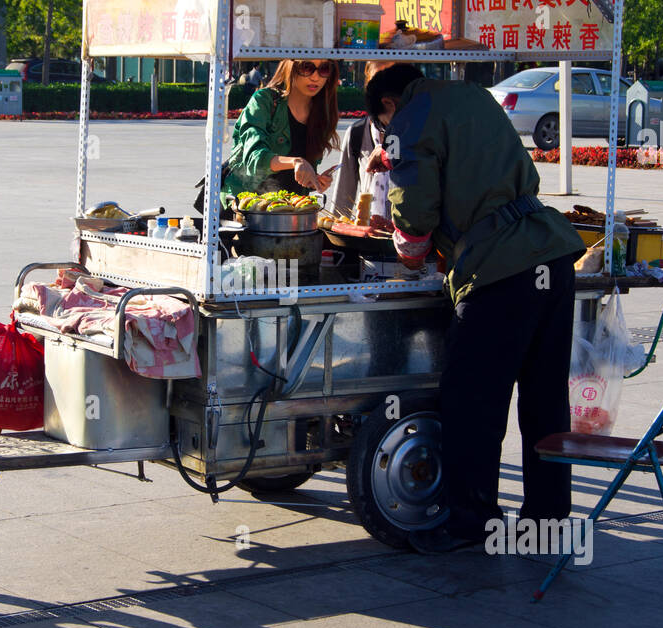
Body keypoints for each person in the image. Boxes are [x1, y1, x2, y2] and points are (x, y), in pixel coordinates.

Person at [364, 64, 585, 553]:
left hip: (499, 270)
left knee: (472, 401)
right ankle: (547, 523)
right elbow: (470, 161)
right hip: (549, 253)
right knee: (546, 400)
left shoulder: (406, 120)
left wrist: (411, 250)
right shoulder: (470, 95)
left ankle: (471, 522)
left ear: (387, 105)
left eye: (383, 124)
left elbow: (414, 215)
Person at [222, 58, 341, 203]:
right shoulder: (264, 100)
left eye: (324, 69)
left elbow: (296, 175)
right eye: (306, 67)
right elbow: (254, 158)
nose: (315, 77)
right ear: (290, 67)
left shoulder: (322, 112)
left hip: (290, 211)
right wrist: (296, 162)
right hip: (247, 206)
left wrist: (313, 180)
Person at [332, 60, 396, 222]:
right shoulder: (357, 133)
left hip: (411, 240)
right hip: (368, 236)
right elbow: (342, 199)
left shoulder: (421, 132)